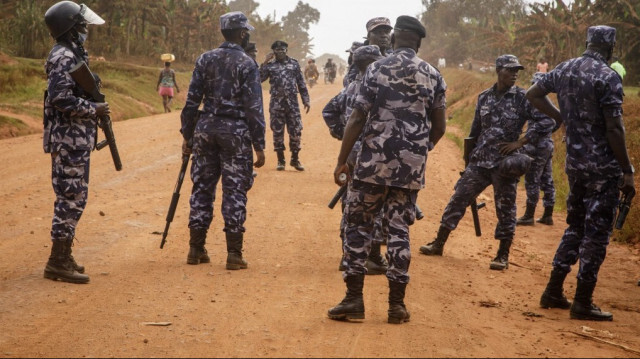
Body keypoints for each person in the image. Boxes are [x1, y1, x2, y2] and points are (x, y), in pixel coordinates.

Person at [328, 16, 447, 324]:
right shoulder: (433, 75)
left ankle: (354, 301)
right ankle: (396, 306)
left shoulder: (376, 69)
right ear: (418, 42)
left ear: (394, 40)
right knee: (398, 231)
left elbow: (356, 118)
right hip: (409, 171)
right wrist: (419, 150)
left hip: (370, 167)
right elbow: (440, 127)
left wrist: (343, 160)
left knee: (359, 226)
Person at [527, 25, 636, 321]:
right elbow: (614, 128)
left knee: (574, 226)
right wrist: (627, 170)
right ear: (610, 48)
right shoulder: (608, 76)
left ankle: (552, 291)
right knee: (596, 234)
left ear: (588, 42)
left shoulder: (565, 68)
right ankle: (583, 301)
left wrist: (558, 116)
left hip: (574, 165)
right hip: (602, 169)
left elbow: (533, 92)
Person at [419, 54, 555, 271]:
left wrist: (520, 142)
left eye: (517, 71)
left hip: (505, 164)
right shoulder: (484, 97)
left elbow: (547, 121)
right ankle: (438, 243)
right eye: (510, 70)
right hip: (480, 162)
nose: (514, 74)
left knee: (506, 209)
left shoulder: (523, 97)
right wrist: (467, 161)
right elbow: (474, 131)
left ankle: (502, 255)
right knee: (458, 199)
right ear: (498, 70)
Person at [180, 11, 266, 270]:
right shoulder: (247, 63)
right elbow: (254, 108)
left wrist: (188, 135)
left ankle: (196, 250)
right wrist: (259, 145)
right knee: (234, 190)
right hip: (235, 134)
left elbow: (191, 102)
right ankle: (234, 254)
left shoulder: (205, 59)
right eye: (246, 31)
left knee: (202, 188)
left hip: (205, 129)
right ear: (241, 33)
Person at [42, 0, 109, 284]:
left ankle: (64, 255)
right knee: (70, 198)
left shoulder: (72, 53)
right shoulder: (63, 57)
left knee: (75, 198)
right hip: (68, 140)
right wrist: (92, 109)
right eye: (82, 25)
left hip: (76, 140)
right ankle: (57, 262)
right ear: (71, 28)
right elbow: (60, 98)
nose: (85, 30)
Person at [321, 45, 389, 275]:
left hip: (352, 153)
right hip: (371, 153)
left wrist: (341, 134)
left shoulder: (350, 87)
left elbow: (328, 111)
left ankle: (347, 254)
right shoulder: (378, 88)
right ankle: (372, 257)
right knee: (374, 206)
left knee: (350, 204)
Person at [259, 40, 310, 171]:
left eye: (282, 50)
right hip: (276, 105)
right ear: (273, 52)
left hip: (292, 105)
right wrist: (264, 62)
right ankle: (280, 160)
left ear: (286, 50)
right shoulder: (270, 66)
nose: (280, 52)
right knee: (278, 132)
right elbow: (259, 78)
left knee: (296, 132)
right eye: (277, 50)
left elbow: (301, 83)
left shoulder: (294, 64)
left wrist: (306, 100)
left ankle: (295, 159)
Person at [516, 72, 558, 226]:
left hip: (538, 146)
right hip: (545, 144)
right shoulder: (548, 103)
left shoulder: (538, 102)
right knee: (547, 179)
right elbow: (554, 121)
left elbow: (548, 122)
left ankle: (529, 216)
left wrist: (527, 138)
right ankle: (548, 215)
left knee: (532, 179)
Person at [344, 17, 392, 87]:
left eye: (387, 32)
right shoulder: (363, 59)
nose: (384, 35)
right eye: (378, 32)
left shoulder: (393, 57)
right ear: (368, 36)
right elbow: (350, 87)